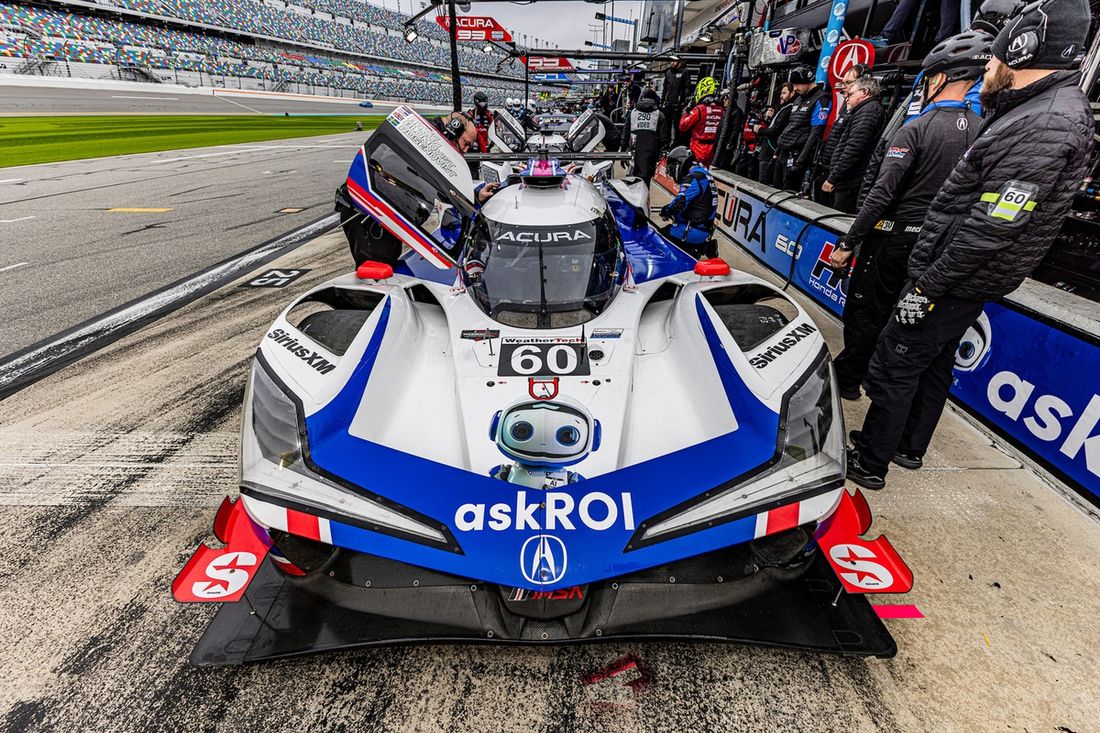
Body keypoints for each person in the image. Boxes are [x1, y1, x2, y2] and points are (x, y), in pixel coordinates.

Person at [846, 0, 1094, 490]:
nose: (988, 67)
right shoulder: (1043, 110)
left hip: (953, 276)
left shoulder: (1045, 121)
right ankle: (908, 447)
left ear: (1021, 50)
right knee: (934, 361)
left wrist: (927, 287)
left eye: (995, 58)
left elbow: (993, 226)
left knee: (896, 361)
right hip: (962, 276)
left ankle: (871, 461)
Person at [830, 32, 989, 402]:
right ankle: (875, 380)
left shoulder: (916, 128)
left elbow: (881, 193)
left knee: (866, 311)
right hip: (935, 244)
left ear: (936, 80)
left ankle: (850, 378)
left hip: (892, 237)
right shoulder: (983, 132)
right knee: (899, 321)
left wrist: (849, 241)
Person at [822, 76, 886, 213]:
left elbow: (853, 149)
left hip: (851, 182)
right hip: (847, 180)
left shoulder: (869, 112)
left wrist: (833, 178)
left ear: (865, 92)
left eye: (851, 94)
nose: (847, 98)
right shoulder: (863, 111)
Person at [814, 64, 867, 207]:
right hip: (829, 169)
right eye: (843, 83)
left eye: (848, 83)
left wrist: (834, 177)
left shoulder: (864, 111)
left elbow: (852, 149)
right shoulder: (847, 107)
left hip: (844, 180)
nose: (844, 87)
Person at [659, 146, 718, 259]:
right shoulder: (704, 173)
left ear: (678, 164)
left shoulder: (693, 178)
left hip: (690, 232)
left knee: (654, 238)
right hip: (704, 230)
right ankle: (704, 246)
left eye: (671, 171)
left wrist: (665, 211)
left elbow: (679, 204)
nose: (672, 175)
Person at [776, 67, 829, 192]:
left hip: (797, 155)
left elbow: (815, 133)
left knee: (787, 193)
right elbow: (791, 125)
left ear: (808, 81)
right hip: (783, 151)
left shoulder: (821, 99)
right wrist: (777, 151)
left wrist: (800, 161)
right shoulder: (799, 99)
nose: (795, 88)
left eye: (797, 84)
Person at [678, 76, 725, 168]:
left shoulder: (699, 109)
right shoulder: (721, 110)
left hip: (698, 148)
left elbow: (683, 126)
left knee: (696, 173)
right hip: (714, 149)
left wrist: (686, 111)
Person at [621, 95, 664, 188]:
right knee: (645, 185)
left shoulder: (632, 113)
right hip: (650, 155)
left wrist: (623, 152)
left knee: (632, 183)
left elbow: (625, 134)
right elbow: (663, 138)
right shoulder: (659, 115)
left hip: (633, 154)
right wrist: (659, 154)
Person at [759, 82, 795, 187]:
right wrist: (768, 119)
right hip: (767, 151)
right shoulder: (782, 108)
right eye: (781, 93)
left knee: (764, 184)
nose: (781, 96)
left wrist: (759, 130)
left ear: (792, 93)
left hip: (772, 151)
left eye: (784, 93)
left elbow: (775, 130)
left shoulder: (789, 109)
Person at [661, 56, 690, 146]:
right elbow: (665, 88)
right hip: (668, 103)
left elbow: (687, 87)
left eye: (674, 61)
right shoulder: (668, 72)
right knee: (667, 125)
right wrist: (662, 101)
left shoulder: (685, 71)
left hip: (679, 104)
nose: (672, 63)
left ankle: (677, 144)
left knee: (678, 126)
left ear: (679, 62)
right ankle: (666, 144)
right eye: (672, 61)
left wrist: (684, 102)